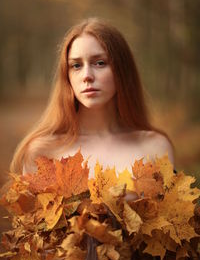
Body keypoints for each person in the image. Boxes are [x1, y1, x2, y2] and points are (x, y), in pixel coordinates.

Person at [10, 17, 175, 177]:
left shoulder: (155, 147)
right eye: (76, 65)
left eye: (100, 63)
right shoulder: (42, 152)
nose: (87, 75)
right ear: (67, 76)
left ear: (122, 70)